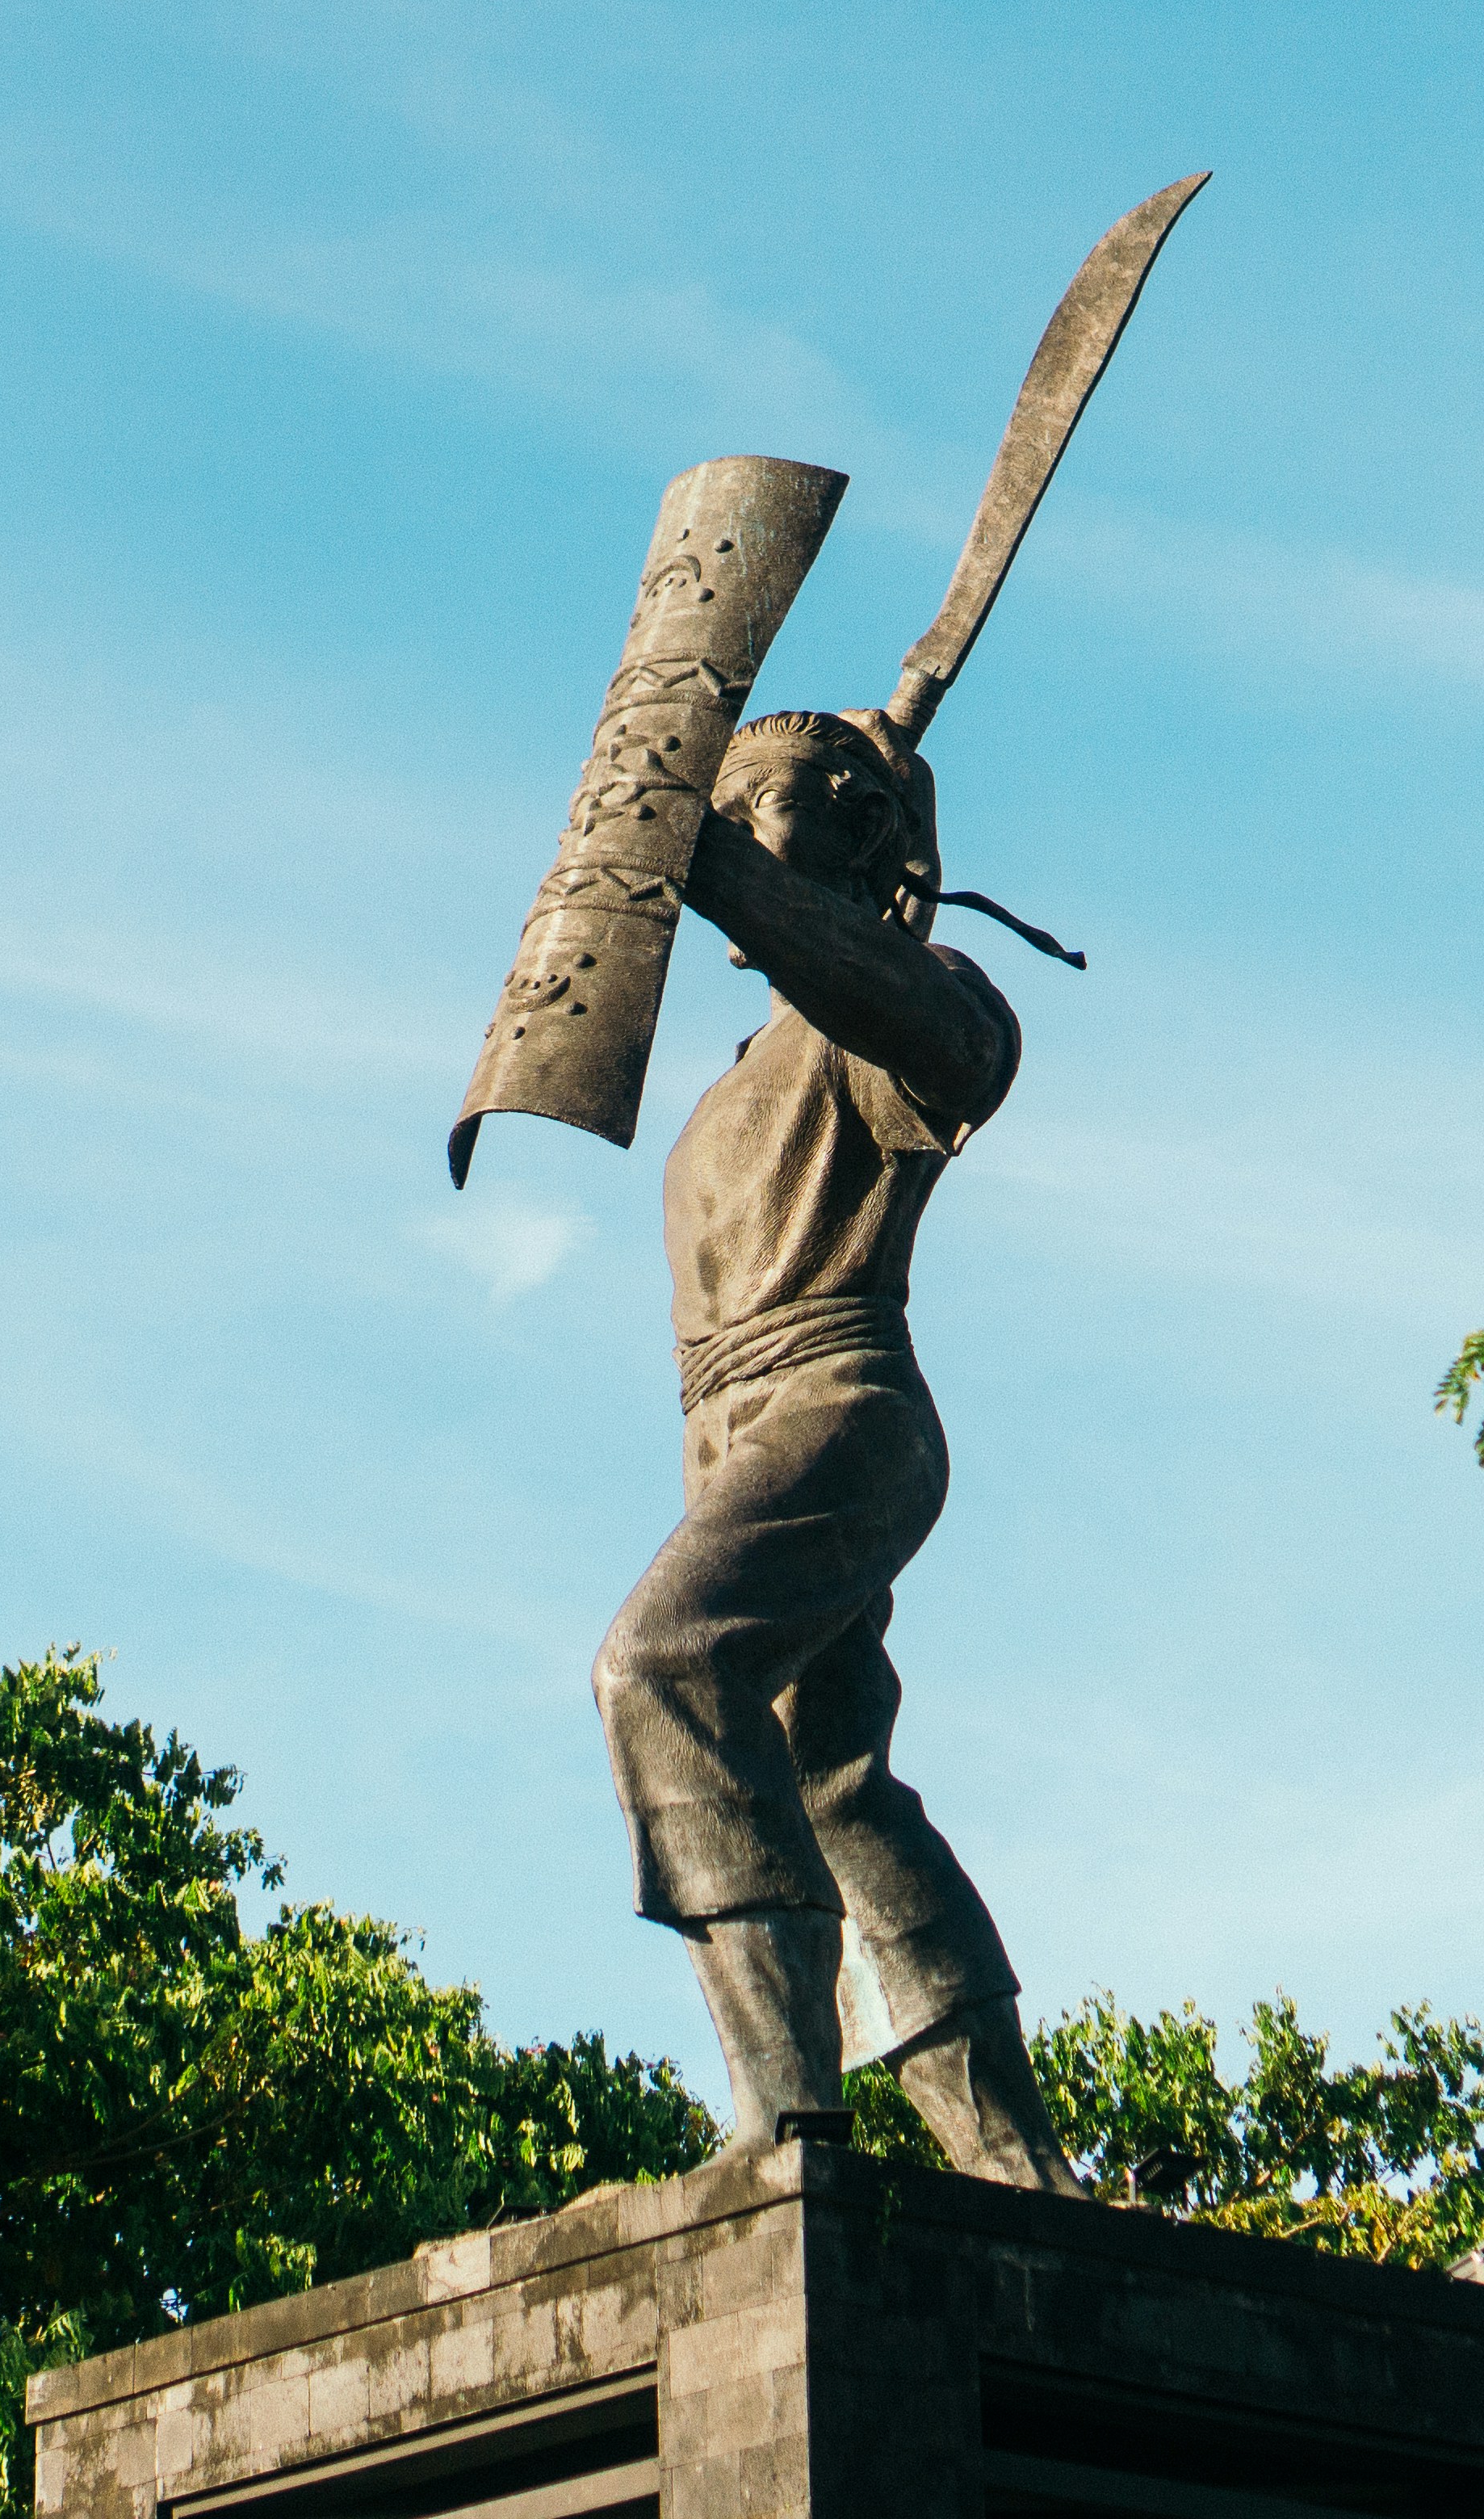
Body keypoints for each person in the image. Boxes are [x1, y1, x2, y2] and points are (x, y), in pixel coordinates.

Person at [591, 702, 1076, 2185]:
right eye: (724, 809)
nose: (736, 826)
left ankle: (785, 2114)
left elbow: (946, 1043)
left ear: (864, 831)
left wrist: (724, 871)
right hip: (725, 1432)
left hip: (842, 1405)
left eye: (767, 803)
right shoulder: (742, 1072)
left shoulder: (906, 1003)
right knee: (829, 1783)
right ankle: (1012, 2162)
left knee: (663, 1667)